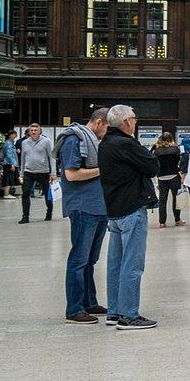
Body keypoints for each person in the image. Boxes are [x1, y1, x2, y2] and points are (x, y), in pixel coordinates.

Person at [98, 104, 160, 330]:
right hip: (132, 209)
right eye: (134, 118)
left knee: (115, 264)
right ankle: (129, 314)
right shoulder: (126, 143)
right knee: (132, 264)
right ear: (126, 122)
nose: (135, 122)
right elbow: (153, 165)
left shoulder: (105, 144)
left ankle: (114, 311)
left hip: (114, 210)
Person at [61, 107, 109, 323]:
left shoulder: (93, 142)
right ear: (98, 122)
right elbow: (71, 174)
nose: (107, 133)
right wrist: (103, 169)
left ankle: (89, 302)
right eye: (107, 127)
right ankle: (74, 308)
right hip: (83, 207)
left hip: (98, 207)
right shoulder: (74, 139)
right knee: (79, 260)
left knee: (91, 259)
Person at [18, 124, 55, 223]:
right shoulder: (25, 143)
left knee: (47, 193)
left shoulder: (46, 142)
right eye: (31, 130)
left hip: (43, 171)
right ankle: (25, 216)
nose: (33, 132)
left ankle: (49, 212)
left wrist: (53, 172)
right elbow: (22, 158)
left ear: (40, 132)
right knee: (25, 193)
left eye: (35, 130)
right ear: (29, 132)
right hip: (29, 171)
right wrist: (21, 173)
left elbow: (51, 157)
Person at [152, 135, 184, 227]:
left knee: (162, 200)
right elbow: (177, 162)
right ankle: (177, 219)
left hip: (161, 177)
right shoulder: (175, 150)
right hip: (173, 176)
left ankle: (162, 222)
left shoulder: (157, 151)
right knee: (175, 199)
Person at [1, 130, 19, 198]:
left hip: (10, 163)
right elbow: (9, 154)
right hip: (9, 163)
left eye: (15, 134)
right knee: (8, 178)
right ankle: (6, 194)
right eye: (12, 134)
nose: (14, 136)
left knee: (9, 178)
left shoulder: (11, 143)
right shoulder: (8, 143)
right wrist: (12, 163)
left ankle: (7, 193)